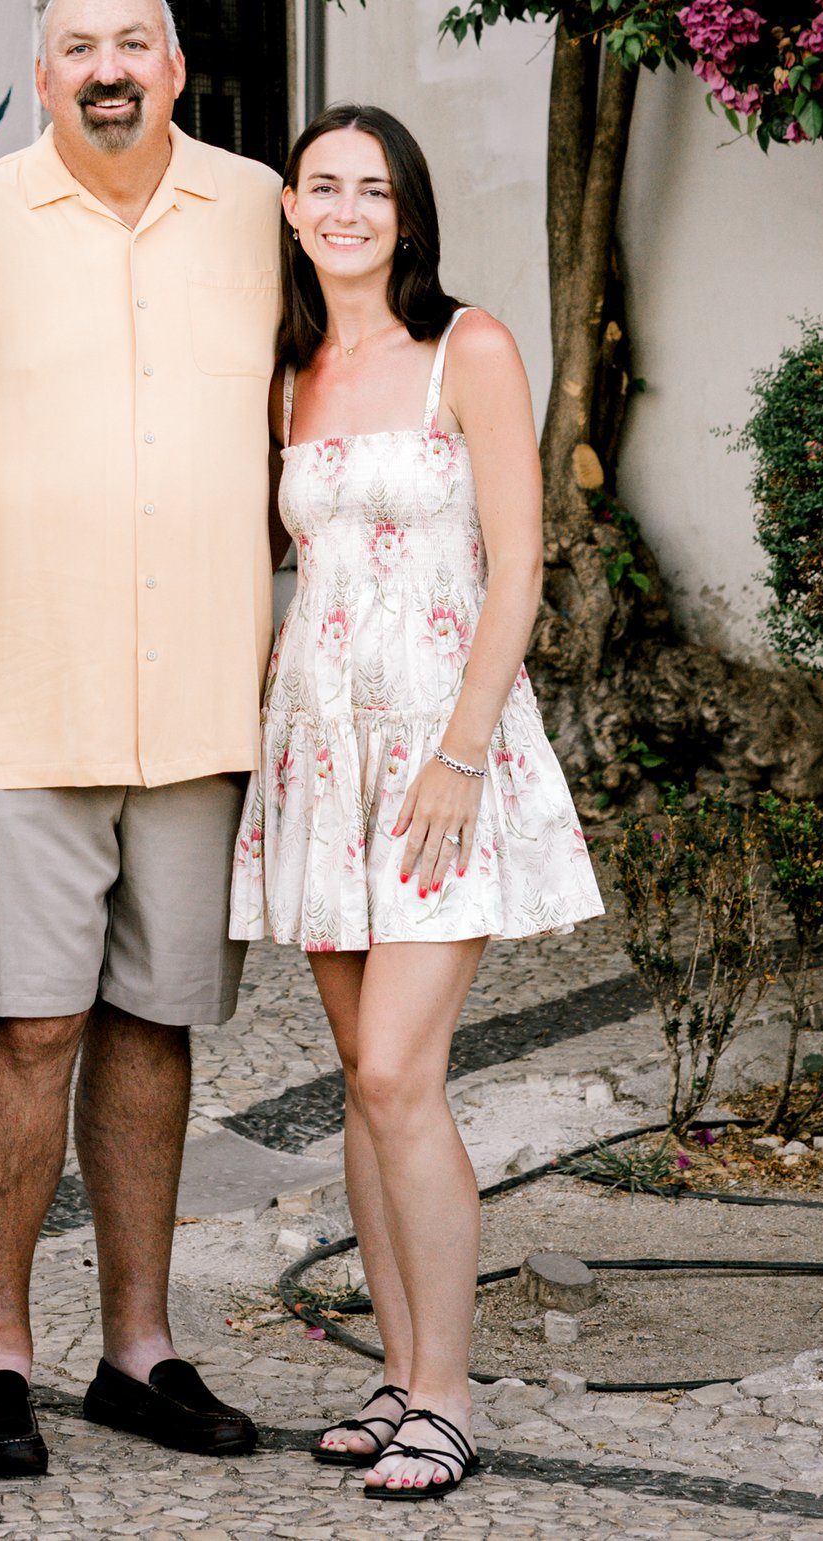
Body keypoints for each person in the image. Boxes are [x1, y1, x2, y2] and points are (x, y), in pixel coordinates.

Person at [0, 0, 280, 1481]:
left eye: (134, 41)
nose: (108, 67)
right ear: (43, 75)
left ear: (178, 66)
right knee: (29, 1021)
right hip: (24, 694)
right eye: (78, 47)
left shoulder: (263, 209)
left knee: (155, 1019)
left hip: (204, 699)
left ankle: (139, 1348)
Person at [231, 104, 603, 1502]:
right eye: (322, 185)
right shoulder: (287, 375)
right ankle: (397, 1373)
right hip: (322, 753)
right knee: (363, 1080)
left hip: (443, 756)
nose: (345, 208)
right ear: (290, 207)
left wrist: (458, 752)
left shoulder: (471, 348)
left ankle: (447, 1395)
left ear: (408, 212)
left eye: (372, 189)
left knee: (399, 1071)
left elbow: (519, 566)